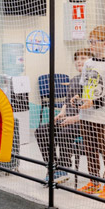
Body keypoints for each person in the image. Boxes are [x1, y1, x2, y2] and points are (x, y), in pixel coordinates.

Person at [74, 26, 105, 200]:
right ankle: (94, 181)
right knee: (90, 149)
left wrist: (94, 103)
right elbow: (84, 85)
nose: (91, 45)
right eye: (90, 41)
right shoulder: (88, 63)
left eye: (95, 42)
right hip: (86, 115)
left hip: (103, 117)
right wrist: (80, 97)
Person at [34, 49, 91, 185]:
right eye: (77, 59)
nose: (79, 61)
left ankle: (64, 167)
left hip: (83, 121)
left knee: (64, 132)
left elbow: (91, 109)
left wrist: (73, 118)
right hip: (68, 119)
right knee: (41, 131)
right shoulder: (74, 79)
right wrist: (62, 113)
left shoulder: (92, 81)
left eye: (83, 58)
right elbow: (67, 101)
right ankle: (52, 167)